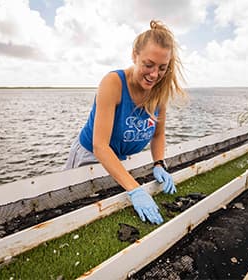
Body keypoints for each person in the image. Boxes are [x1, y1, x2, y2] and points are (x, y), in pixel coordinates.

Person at [64, 20, 186, 225]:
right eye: (148, 65)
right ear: (134, 55)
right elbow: (100, 146)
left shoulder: (160, 89)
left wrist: (159, 163)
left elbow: (158, 133)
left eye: (162, 68)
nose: (154, 74)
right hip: (90, 155)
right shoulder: (113, 83)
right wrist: (135, 189)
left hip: (120, 157)